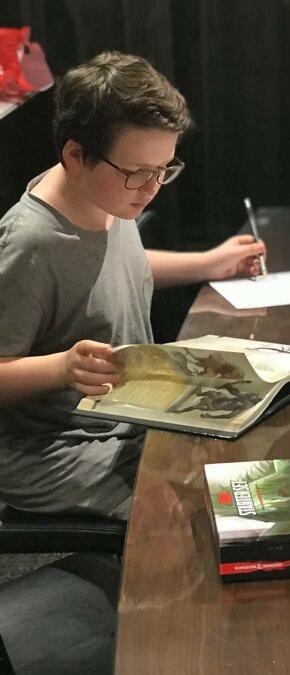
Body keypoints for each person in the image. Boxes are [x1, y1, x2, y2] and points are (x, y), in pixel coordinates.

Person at [0, 51, 266, 518]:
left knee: (257, 447)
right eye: (139, 173)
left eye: (164, 168)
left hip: (127, 419)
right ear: (75, 155)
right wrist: (62, 368)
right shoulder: (30, 243)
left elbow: (116, 268)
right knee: (215, 513)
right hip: (60, 451)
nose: (153, 187)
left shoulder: (106, 195)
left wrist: (208, 263)